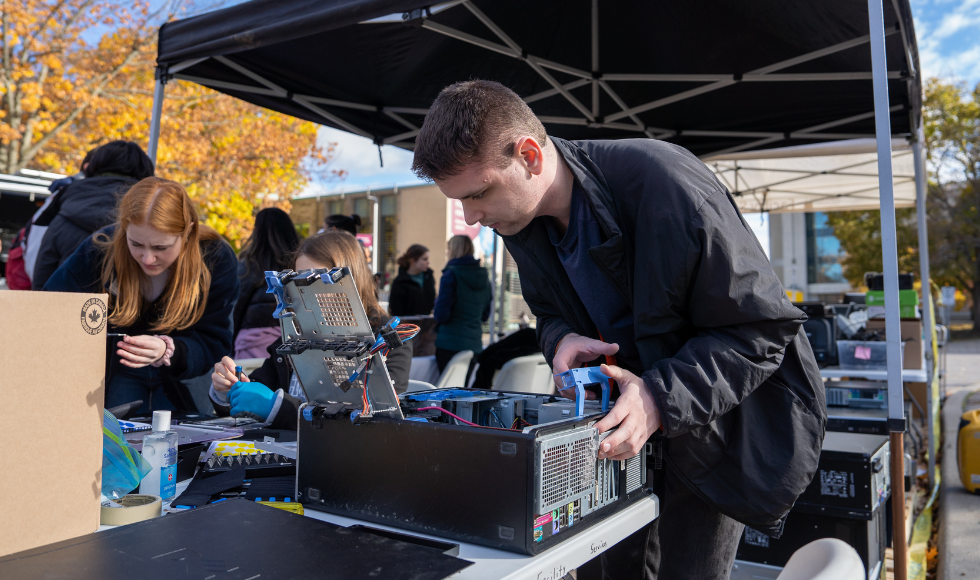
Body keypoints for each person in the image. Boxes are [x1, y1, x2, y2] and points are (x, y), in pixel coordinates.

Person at [411, 80, 825, 580]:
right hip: (614, 435)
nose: (473, 218)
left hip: (714, 429)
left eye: (478, 194)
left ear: (529, 155)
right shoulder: (517, 220)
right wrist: (559, 338)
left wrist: (657, 397)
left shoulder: (665, 182)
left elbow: (760, 329)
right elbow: (547, 312)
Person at [44, 177, 239, 413]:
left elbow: (214, 342)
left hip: (185, 383)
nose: (147, 259)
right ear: (123, 228)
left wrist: (170, 350)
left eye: (160, 248)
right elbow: (50, 308)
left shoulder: (215, 257)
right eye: (136, 244)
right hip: (111, 378)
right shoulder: (101, 249)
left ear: (187, 232)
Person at [209, 231, 412, 429]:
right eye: (298, 282)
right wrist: (231, 390)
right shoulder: (297, 330)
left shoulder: (389, 338)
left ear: (348, 280)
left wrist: (277, 407)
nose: (305, 293)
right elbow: (256, 394)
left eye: (315, 281)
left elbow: (376, 421)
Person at [32, 141, 155, 289]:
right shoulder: (155, 218)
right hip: (132, 309)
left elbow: (42, 279)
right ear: (145, 171)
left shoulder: (62, 216)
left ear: (94, 166)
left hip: (68, 307)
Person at [233, 207, 300, 359]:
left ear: (257, 231)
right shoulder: (298, 264)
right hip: (293, 341)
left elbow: (236, 307)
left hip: (252, 343)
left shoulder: (248, 266)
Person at [432, 235, 492, 372]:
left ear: (452, 250)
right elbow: (485, 315)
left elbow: (441, 315)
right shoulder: (484, 276)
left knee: (447, 390)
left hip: (449, 343)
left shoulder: (450, 275)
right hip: (475, 344)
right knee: (465, 391)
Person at [388, 244, 435, 316]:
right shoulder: (400, 282)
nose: (428, 262)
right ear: (413, 260)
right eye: (425, 259)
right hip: (408, 325)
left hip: (427, 323)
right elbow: (395, 310)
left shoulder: (428, 277)